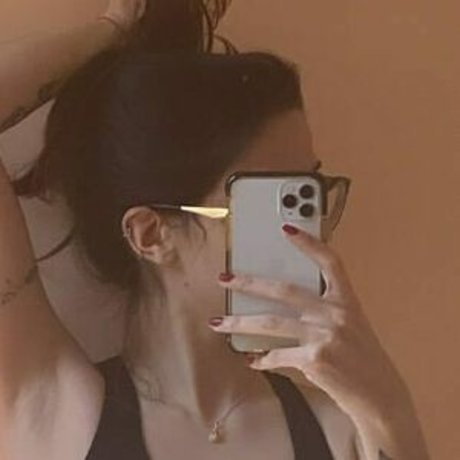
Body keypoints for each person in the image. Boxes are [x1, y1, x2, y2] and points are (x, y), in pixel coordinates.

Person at [0, 1, 431, 459]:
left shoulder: (341, 430)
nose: (309, 234)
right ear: (151, 235)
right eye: (273, 201)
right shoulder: (55, 410)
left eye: (307, 196)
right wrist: (114, 29)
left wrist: (387, 403)